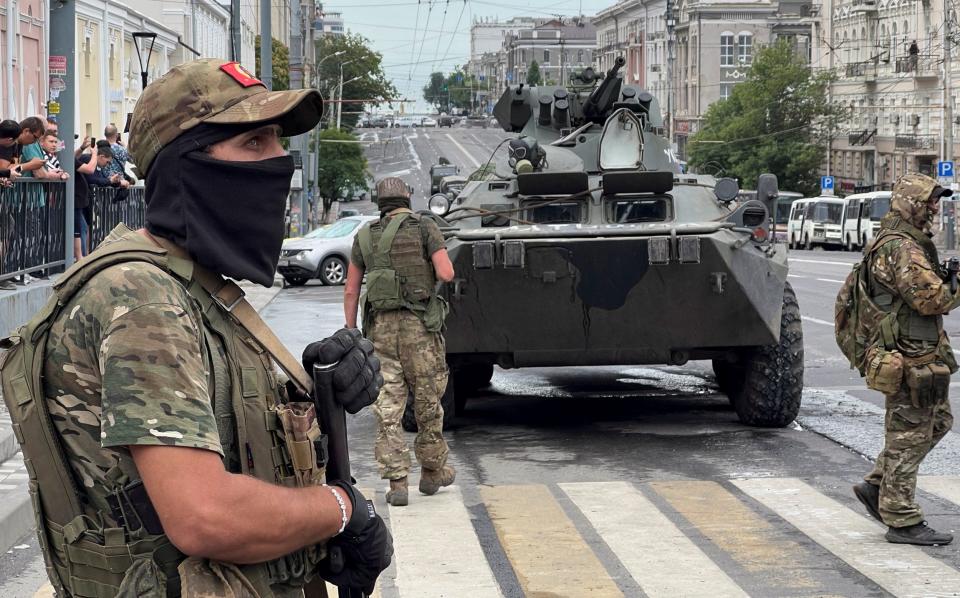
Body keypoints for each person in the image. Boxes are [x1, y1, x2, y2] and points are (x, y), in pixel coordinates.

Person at [4, 58, 392, 596]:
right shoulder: (142, 298)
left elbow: (225, 422)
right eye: (254, 143)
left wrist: (310, 386)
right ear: (189, 167)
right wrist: (343, 510)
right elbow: (205, 515)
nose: (280, 161)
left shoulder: (189, 285)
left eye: (277, 141)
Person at [851, 172, 958, 546]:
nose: (934, 207)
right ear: (911, 204)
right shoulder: (903, 248)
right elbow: (931, 300)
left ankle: (877, 484)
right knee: (909, 436)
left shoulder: (902, 241)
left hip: (918, 350)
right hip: (908, 354)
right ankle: (901, 518)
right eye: (929, 201)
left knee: (938, 421)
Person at [345, 176, 456, 507]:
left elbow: (351, 290)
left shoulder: (364, 236)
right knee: (427, 402)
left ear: (378, 202)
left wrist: (351, 331)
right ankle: (433, 471)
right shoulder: (424, 228)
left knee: (388, 408)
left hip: (380, 330)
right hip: (419, 329)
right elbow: (446, 273)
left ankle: (397, 483)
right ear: (407, 198)